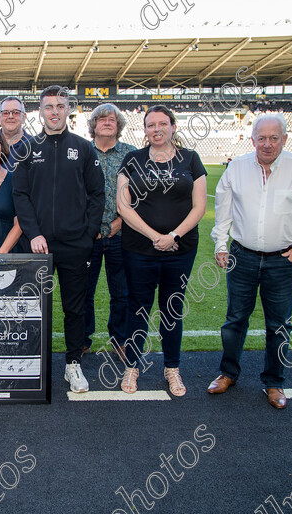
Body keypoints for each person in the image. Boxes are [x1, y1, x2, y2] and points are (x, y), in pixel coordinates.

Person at [208, 113, 292, 409]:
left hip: (283, 261)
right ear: (253, 139)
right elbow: (223, 212)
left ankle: (274, 383)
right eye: (261, 138)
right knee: (235, 320)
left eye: (274, 138)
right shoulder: (236, 168)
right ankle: (228, 373)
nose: (267, 143)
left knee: (279, 325)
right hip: (241, 256)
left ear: (285, 139)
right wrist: (220, 245)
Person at [13, 85, 105, 393]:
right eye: (49, 106)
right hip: (37, 246)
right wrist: (34, 233)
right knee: (32, 307)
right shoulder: (27, 149)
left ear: (69, 110)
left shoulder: (83, 147)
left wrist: (88, 232)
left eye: (60, 106)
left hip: (74, 246)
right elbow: (20, 195)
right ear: (40, 111)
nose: (55, 111)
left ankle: (73, 365)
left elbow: (96, 194)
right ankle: (29, 363)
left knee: (74, 308)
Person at [116, 105, 207, 397]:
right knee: (137, 308)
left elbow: (199, 206)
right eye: (151, 124)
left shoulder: (190, 159)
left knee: (172, 310)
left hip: (180, 250)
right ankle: (132, 366)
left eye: (162, 124)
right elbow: (123, 205)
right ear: (144, 130)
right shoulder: (132, 159)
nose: (157, 129)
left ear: (173, 126)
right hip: (139, 249)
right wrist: (156, 236)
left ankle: (172, 369)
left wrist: (173, 235)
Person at [84, 103, 137, 356]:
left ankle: (120, 340)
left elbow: (142, 194)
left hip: (122, 233)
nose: (106, 122)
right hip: (88, 236)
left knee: (122, 292)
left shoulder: (132, 153)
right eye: (101, 119)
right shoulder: (81, 151)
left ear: (119, 126)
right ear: (93, 124)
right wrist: (88, 225)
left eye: (112, 119)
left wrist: (122, 221)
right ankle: (82, 339)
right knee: (84, 292)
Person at [0, 96, 33, 171]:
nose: (10, 116)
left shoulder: (35, 146)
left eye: (16, 112)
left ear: (24, 117)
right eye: (5, 113)